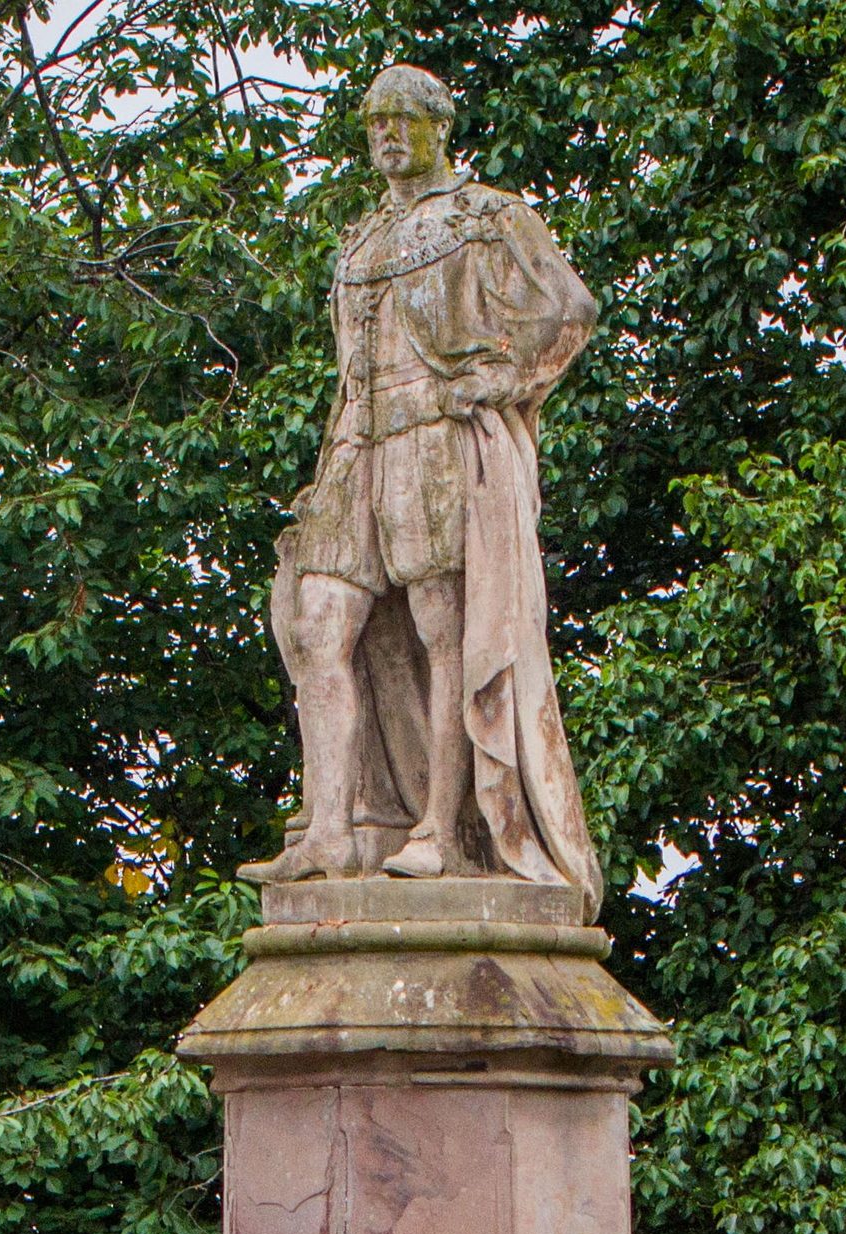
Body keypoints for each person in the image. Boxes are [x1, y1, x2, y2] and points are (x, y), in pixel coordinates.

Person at [243, 65, 604, 896]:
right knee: (319, 624)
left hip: (438, 443)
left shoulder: (487, 216)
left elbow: (570, 309)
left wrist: (511, 379)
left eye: (403, 119)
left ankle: (442, 826)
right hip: (358, 451)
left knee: (447, 629)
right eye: (374, 121)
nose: (387, 135)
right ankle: (331, 829)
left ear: (441, 127)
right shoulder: (362, 237)